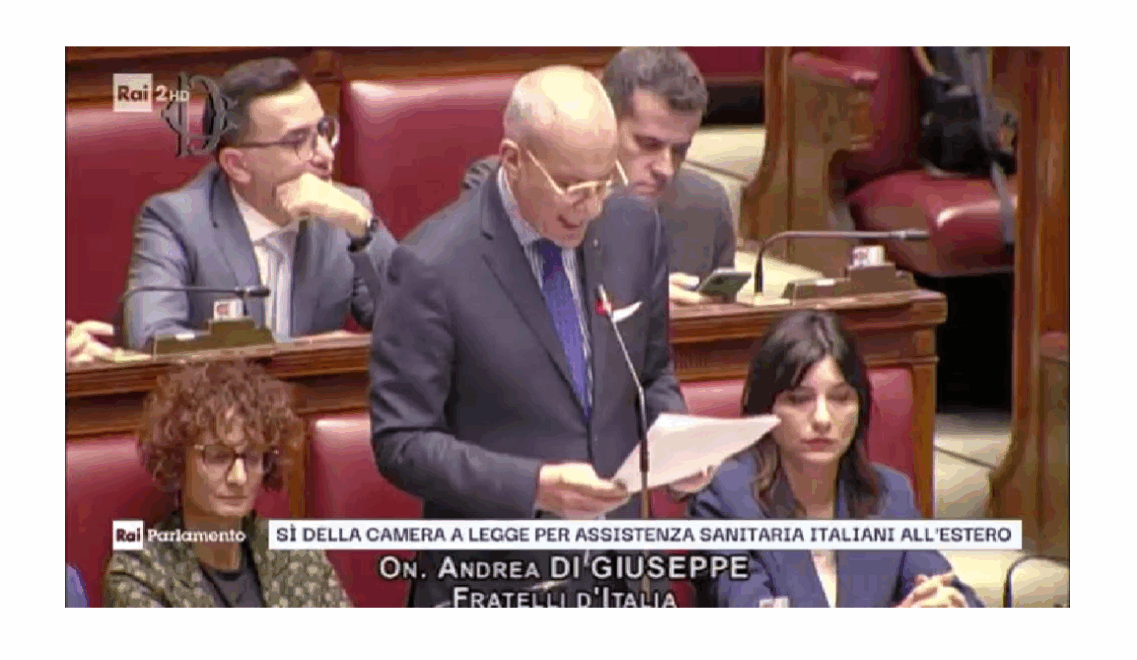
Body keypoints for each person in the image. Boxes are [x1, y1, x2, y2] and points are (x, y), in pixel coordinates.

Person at [370, 65, 716, 607]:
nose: (592, 206)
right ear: (513, 159)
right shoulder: (432, 265)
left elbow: (650, 374)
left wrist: (677, 445)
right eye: (573, 186)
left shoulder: (634, 228)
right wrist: (533, 485)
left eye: (604, 182)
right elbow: (402, 442)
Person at [689, 310, 984, 607]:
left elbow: (949, 589)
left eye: (840, 398)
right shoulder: (724, 500)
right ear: (766, 410)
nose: (822, 419)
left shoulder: (889, 495)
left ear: (860, 408)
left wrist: (945, 605)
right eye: (799, 399)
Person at [119, 57, 395, 351]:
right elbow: (152, 338)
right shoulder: (177, 221)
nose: (326, 154)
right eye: (297, 141)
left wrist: (363, 227)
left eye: (324, 130)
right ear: (237, 165)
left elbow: (415, 322)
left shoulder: (344, 213)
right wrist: (302, 348)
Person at [462, 47, 735, 307]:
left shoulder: (705, 207)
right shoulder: (512, 183)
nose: (666, 169)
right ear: (605, 123)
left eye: (680, 150)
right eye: (648, 144)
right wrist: (637, 302)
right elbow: (484, 302)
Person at [104, 360, 350, 607]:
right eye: (218, 456)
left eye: (252, 456)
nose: (238, 477)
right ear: (178, 460)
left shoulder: (299, 556)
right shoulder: (140, 572)